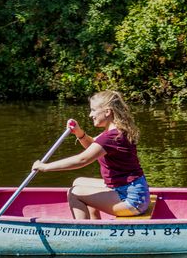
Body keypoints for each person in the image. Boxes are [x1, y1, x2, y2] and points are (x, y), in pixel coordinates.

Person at [32, 90, 150, 219]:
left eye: (93, 110)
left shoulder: (111, 137)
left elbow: (82, 159)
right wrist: (79, 133)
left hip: (132, 200)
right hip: (133, 192)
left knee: (74, 193)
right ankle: (95, 223)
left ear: (107, 112)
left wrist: (45, 167)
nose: (90, 114)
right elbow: (93, 146)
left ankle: (83, 233)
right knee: (79, 182)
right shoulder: (116, 132)